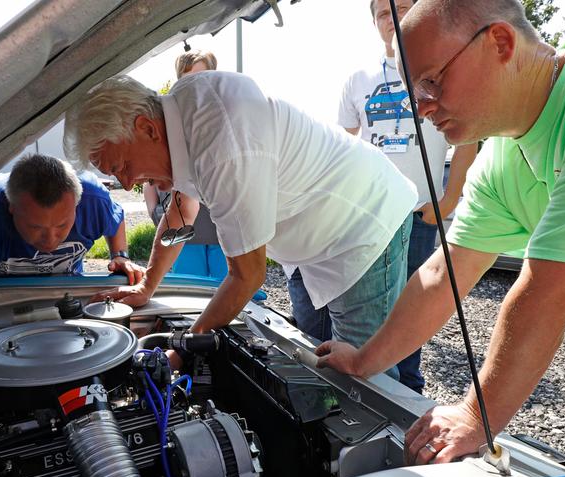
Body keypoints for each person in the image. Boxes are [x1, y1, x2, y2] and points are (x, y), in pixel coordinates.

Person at [315, 0, 565, 473]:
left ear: (500, 42)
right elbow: (444, 274)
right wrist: (362, 362)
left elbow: (551, 286)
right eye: (412, 91)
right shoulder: (503, 160)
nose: (421, 108)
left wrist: (474, 414)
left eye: (431, 81)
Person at [63, 72, 417, 367]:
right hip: (312, 241)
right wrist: (146, 286)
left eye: (121, 166)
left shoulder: (222, 143)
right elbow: (182, 211)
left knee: (361, 375)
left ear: (147, 129)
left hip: (361, 226)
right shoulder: (181, 113)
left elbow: (247, 274)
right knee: (312, 361)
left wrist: (186, 349)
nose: (126, 183)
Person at [289, 0, 478, 394]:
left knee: (412, 310)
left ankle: (407, 393)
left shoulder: (438, 70)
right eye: (382, 14)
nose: (393, 18)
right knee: (373, 314)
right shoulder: (358, 79)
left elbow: (467, 140)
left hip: (417, 213)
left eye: (404, 7)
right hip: (369, 217)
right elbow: (342, 145)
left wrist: (448, 200)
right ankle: (364, 391)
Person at [0, 153, 145, 402]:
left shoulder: (93, 198)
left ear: (77, 204)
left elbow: (115, 219)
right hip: (1, 308)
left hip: (65, 301)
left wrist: (120, 255)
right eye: (36, 227)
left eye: (62, 226)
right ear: (11, 206)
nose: (51, 239)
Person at [143, 49, 227, 279]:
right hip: (184, 233)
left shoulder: (225, 118)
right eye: (187, 79)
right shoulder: (168, 120)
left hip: (222, 231)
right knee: (191, 293)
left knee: (230, 294)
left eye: (202, 76)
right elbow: (150, 172)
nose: (196, 85)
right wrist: (154, 211)